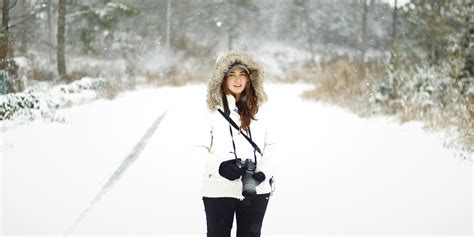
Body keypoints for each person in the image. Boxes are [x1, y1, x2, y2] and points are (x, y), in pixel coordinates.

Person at [193, 50, 278, 237]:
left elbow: (273, 147)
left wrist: (261, 174)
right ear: (221, 78)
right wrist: (220, 167)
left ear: (249, 78)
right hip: (218, 188)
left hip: (256, 189)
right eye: (231, 74)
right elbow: (197, 149)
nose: (237, 80)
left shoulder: (262, 109)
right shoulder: (210, 111)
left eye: (242, 74)